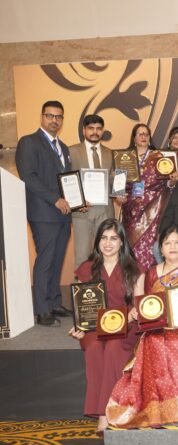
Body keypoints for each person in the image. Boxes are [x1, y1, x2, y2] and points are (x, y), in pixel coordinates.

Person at [106, 226, 178, 428]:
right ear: (160, 249)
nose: (173, 247)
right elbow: (144, 307)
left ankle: (168, 406)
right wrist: (139, 314)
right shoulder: (150, 275)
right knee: (152, 341)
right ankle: (153, 406)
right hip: (158, 329)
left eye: (177, 242)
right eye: (167, 243)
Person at [68, 219, 143, 435]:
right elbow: (81, 305)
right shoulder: (86, 268)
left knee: (113, 348)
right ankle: (104, 412)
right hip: (95, 327)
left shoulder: (135, 269)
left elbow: (138, 305)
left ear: (122, 243)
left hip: (126, 325)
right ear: (97, 241)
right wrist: (79, 325)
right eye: (103, 238)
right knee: (93, 348)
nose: (108, 243)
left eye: (113, 238)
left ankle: (106, 413)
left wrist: (131, 315)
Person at [15, 100, 72, 327]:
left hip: (63, 213)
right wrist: (55, 199)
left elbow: (67, 180)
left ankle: (55, 302)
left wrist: (77, 201)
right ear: (42, 117)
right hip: (43, 213)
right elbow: (28, 177)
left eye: (58, 117)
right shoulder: (28, 142)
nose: (54, 120)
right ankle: (42, 309)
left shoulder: (64, 147)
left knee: (57, 260)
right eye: (50, 116)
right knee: (45, 261)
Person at [121, 123, 178, 269]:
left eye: (146, 134)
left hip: (153, 209)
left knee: (149, 245)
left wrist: (172, 182)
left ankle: (150, 280)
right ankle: (132, 279)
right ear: (134, 138)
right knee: (132, 244)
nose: (143, 137)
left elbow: (167, 183)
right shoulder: (125, 157)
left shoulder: (158, 156)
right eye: (140, 134)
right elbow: (118, 181)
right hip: (131, 209)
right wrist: (118, 195)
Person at [69, 114, 118, 267]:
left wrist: (119, 193)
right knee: (82, 254)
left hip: (105, 210)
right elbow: (68, 180)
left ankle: (103, 282)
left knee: (106, 253)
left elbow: (113, 180)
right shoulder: (71, 151)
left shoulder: (111, 153)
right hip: (82, 210)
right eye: (91, 128)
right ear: (84, 130)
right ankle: (82, 282)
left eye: (98, 128)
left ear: (102, 131)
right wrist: (77, 202)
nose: (95, 132)